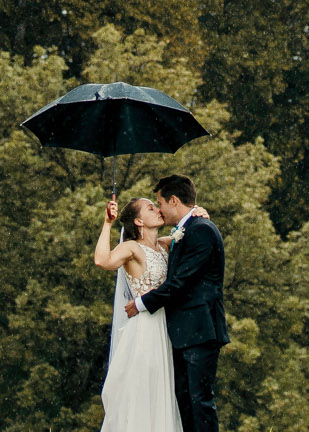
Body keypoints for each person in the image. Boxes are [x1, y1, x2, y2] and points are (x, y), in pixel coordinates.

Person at [123, 175, 228, 432]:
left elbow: (181, 282)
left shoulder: (200, 230)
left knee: (199, 401)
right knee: (185, 402)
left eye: (160, 203)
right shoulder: (187, 230)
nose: (159, 209)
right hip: (184, 333)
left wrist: (142, 303)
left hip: (200, 331)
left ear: (173, 200)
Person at [93, 195, 179, 432]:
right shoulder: (131, 248)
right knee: (143, 391)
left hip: (167, 327)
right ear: (139, 222)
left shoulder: (164, 245)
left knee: (163, 392)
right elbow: (102, 260)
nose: (157, 210)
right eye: (150, 208)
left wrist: (199, 212)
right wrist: (108, 223)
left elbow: (192, 234)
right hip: (145, 331)